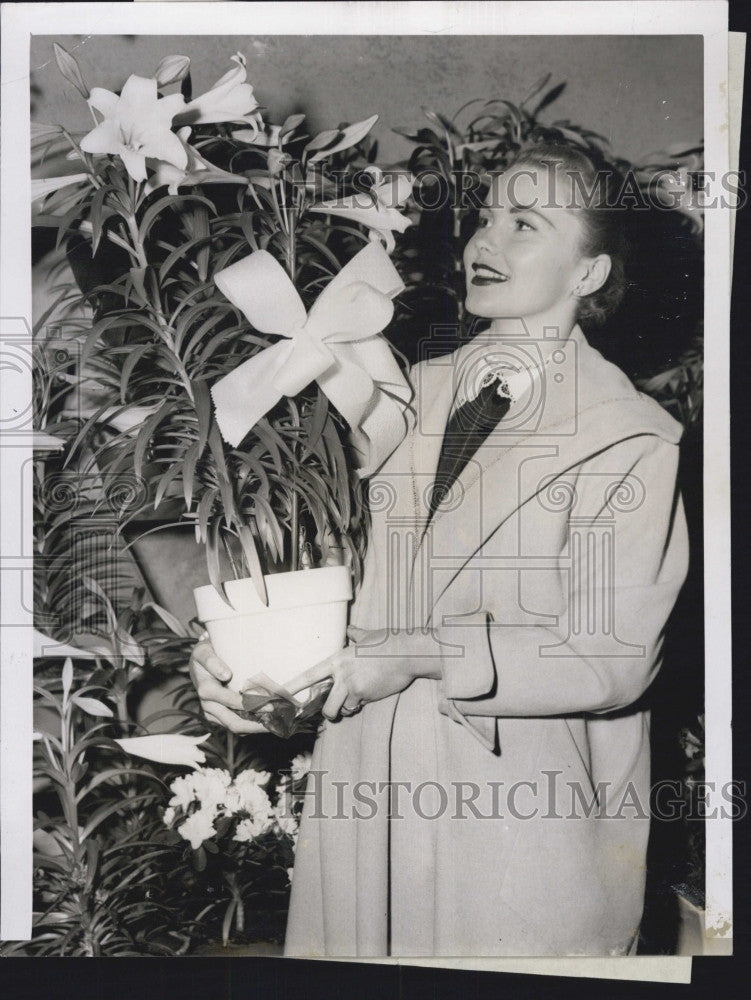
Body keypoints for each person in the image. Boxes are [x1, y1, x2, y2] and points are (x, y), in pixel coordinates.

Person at [189, 141, 690, 957]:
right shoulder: (392, 392)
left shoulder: (626, 438)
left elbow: (613, 655)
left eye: (524, 224)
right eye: (486, 217)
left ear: (588, 274)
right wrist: (241, 657)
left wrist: (420, 655)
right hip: (367, 816)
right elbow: (316, 565)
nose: (483, 243)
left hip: (519, 833)